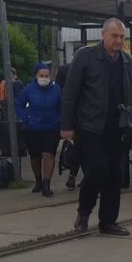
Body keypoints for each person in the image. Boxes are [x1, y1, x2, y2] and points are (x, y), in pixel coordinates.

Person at [61, 18, 132, 236]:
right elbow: (70, 93)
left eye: (122, 37)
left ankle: (108, 222)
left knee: (115, 175)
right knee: (98, 169)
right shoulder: (85, 57)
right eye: (114, 36)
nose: (118, 40)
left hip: (119, 127)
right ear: (103, 35)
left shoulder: (128, 62)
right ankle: (84, 212)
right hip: (90, 125)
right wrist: (66, 125)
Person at [15, 63, 62, 197]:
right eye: (41, 76)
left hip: (52, 127)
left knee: (49, 154)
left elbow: (62, 106)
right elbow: (19, 105)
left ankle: (47, 184)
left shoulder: (56, 90)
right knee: (35, 156)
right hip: (33, 128)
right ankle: (38, 180)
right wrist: (26, 118)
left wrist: (61, 121)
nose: (44, 78)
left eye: (46, 76)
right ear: (36, 76)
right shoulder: (28, 90)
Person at [55, 62, 81, 190]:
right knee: (85, 148)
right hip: (85, 115)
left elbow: (59, 91)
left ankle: (73, 174)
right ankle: (82, 175)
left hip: (73, 115)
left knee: (78, 147)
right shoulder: (90, 67)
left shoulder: (64, 69)